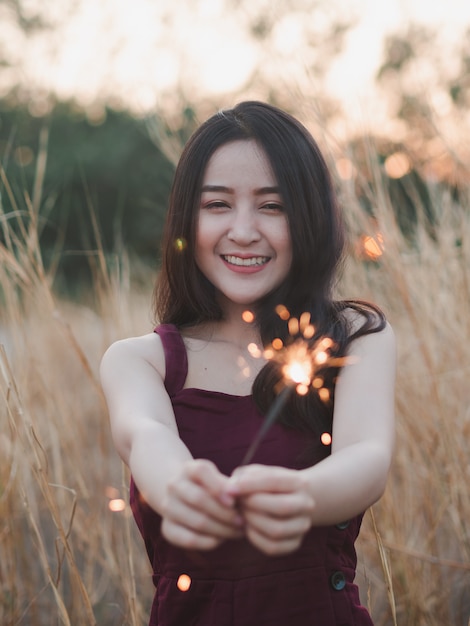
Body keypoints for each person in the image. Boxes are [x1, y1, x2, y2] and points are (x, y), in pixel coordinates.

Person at [100, 101, 396, 626]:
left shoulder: (352, 338)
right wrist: (180, 488)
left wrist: (303, 496)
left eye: (272, 206)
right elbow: (145, 436)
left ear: (309, 216)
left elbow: (368, 457)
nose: (242, 230)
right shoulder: (138, 360)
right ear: (186, 220)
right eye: (217, 205)